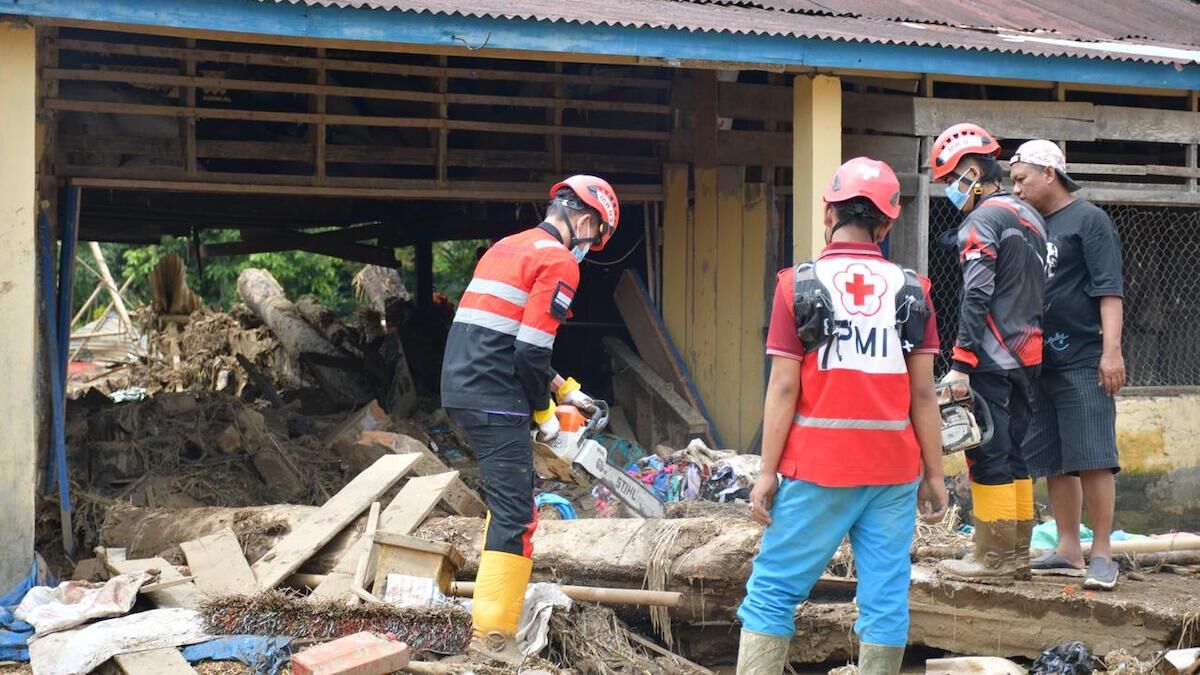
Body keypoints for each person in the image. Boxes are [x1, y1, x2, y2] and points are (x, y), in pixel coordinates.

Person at [735, 157, 948, 675]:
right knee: (885, 597)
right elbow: (924, 394)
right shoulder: (913, 290)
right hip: (893, 472)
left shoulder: (798, 286)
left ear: (828, 213)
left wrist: (766, 472)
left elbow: (784, 386)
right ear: (887, 226)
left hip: (819, 470)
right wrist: (936, 474)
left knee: (773, 591)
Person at [439, 175, 619, 656]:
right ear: (586, 221)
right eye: (597, 237)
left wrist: (565, 390)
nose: (590, 247)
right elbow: (531, 352)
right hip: (496, 396)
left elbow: (507, 337)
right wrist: (544, 412)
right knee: (518, 517)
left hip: (463, 388)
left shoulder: (508, 247)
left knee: (504, 507)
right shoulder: (559, 260)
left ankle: (485, 620)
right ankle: (492, 638)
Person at [929, 123, 1047, 582]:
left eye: (949, 181)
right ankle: (1016, 554)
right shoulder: (1030, 217)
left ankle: (991, 559)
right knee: (1014, 452)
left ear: (973, 173)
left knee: (985, 453)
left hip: (991, 358)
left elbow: (977, 294)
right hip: (1028, 354)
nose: (949, 191)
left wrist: (960, 363)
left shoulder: (981, 222)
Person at [1009, 140, 1125, 590]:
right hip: (1038, 359)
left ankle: (1103, 554)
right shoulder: (1029, 223)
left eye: (1022, 179)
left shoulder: (1089, 220)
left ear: (1049, 174)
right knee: (1054, 459)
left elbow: (1108, 289)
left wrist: (1110, 351)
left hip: (1083, 356)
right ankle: (1068, 547)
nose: (1016, 189)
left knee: (1094, 456)